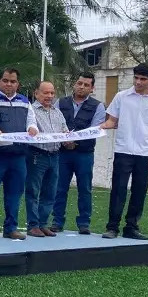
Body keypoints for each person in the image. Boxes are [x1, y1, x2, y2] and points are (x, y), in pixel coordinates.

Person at [100, 63, 148, 240]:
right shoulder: (121, 96)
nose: (138, 82)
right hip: (123, 150)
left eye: (143, 79)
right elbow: (111, 122)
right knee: (118, 190)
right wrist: (93, 129)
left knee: (139, 191)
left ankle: (131, 227)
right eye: (136, 78)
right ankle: (112, 227)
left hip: (146, 153)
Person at [0, 68, 37, 241]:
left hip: (19, 155)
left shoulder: (24, 101)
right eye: (5, 80)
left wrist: (32, 129)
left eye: (13, 81)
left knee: (14, 193)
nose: (9, 84)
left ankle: (11, 228)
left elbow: (31, 121)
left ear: (18, 84)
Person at [53, 72, 106, 235]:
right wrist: (64, 142)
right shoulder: (60, 102)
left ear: (92, 89)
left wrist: (74, 142)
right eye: (79, 83)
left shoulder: (98, 106)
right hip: (62, 153)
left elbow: (95, 130)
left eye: (86, 85)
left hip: (84, 154)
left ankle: (84, 223)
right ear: (74, 84)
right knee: (59, 188)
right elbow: (53, 124)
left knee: (85, 189)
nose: (81, 87)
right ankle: (57, 222)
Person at [26, 82, 69, 236]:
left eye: (52, 93)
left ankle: (43, 223)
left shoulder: (57, 112)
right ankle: (33, 225)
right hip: (37, 154)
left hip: (55, 155)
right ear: (36, 93)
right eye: (45, 93)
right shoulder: (30, 111)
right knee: (33, 191)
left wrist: (69, 139)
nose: (49, 96)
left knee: (50, 192)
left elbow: (65, 131)